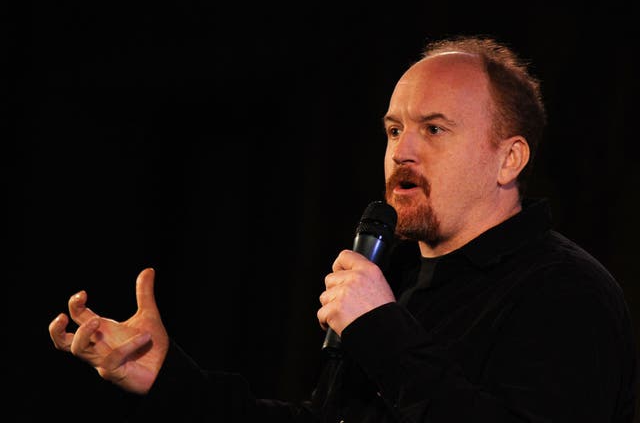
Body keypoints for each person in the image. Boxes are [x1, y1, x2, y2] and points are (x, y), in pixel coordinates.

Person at [49, 34, 638, 422]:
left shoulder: (565, 292)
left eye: (433, 129)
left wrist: (383, 333)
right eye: (392, 130)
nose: (401, 150)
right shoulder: (402, 278)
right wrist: (168, 379)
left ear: (509, 159)